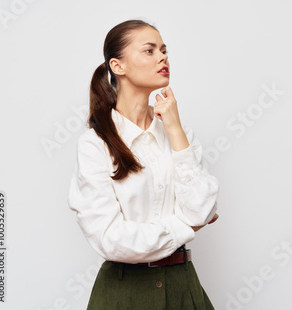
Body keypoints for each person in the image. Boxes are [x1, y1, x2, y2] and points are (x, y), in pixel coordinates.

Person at [68, 19, 220, 310]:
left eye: (164, 50)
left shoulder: (180, 134)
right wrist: (186, 225)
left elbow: (202, 207)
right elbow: (110, 239)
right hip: (123, 294)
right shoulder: (94, 144)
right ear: (118, 66)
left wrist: (174, 130)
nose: (163, 57)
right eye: (149, 50)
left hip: (183, 287)